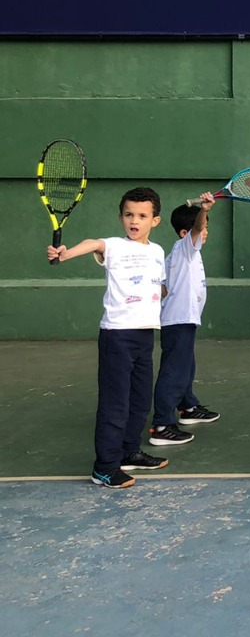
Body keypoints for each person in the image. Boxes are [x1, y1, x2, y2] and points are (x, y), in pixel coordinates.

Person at [48, 187, 169, 488]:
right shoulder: (114, 246)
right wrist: (65, 254)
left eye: (142, 215)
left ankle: (129, 452)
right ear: (121, 217)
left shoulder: (156, 252)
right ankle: (104, 467)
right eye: (129, 214)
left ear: (155, 220)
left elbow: (160, 287)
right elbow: (93, 243)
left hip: (145, 335)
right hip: (117, 335)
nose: (134, 220)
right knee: (115, 403)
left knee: (140, 401)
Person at [148, 193, 221, 447]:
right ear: (184, 234)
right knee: (174, 372)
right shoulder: (185, 248)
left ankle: (187, 407)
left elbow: (164, 289)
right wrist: (204, 210)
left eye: (207, 228)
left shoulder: (177, 256)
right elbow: (198, 227)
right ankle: (162, 425)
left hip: (183, 320)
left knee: (186, 366)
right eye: (203, 228)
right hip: (177, 321)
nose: (205, 232)